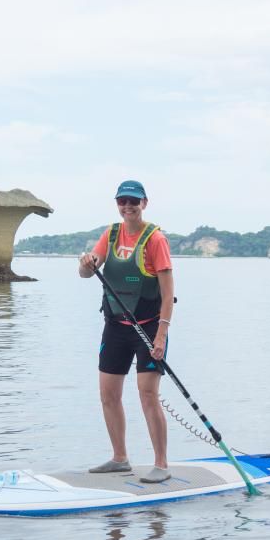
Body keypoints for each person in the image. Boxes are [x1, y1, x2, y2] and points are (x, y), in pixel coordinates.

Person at [78, 180, 174, 483]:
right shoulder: (112, 234)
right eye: (122, 201)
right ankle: (120, 458)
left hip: (148, 328)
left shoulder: (155, 239)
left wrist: (161, 335)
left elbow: (168, 292)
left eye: (133, 201)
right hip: (115, 327)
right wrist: (87, 263)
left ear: (144, 203)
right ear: (117, 204)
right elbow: (86, 272)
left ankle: (161, 464)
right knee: (108, 394)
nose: (128, 207)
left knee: (148, 395)